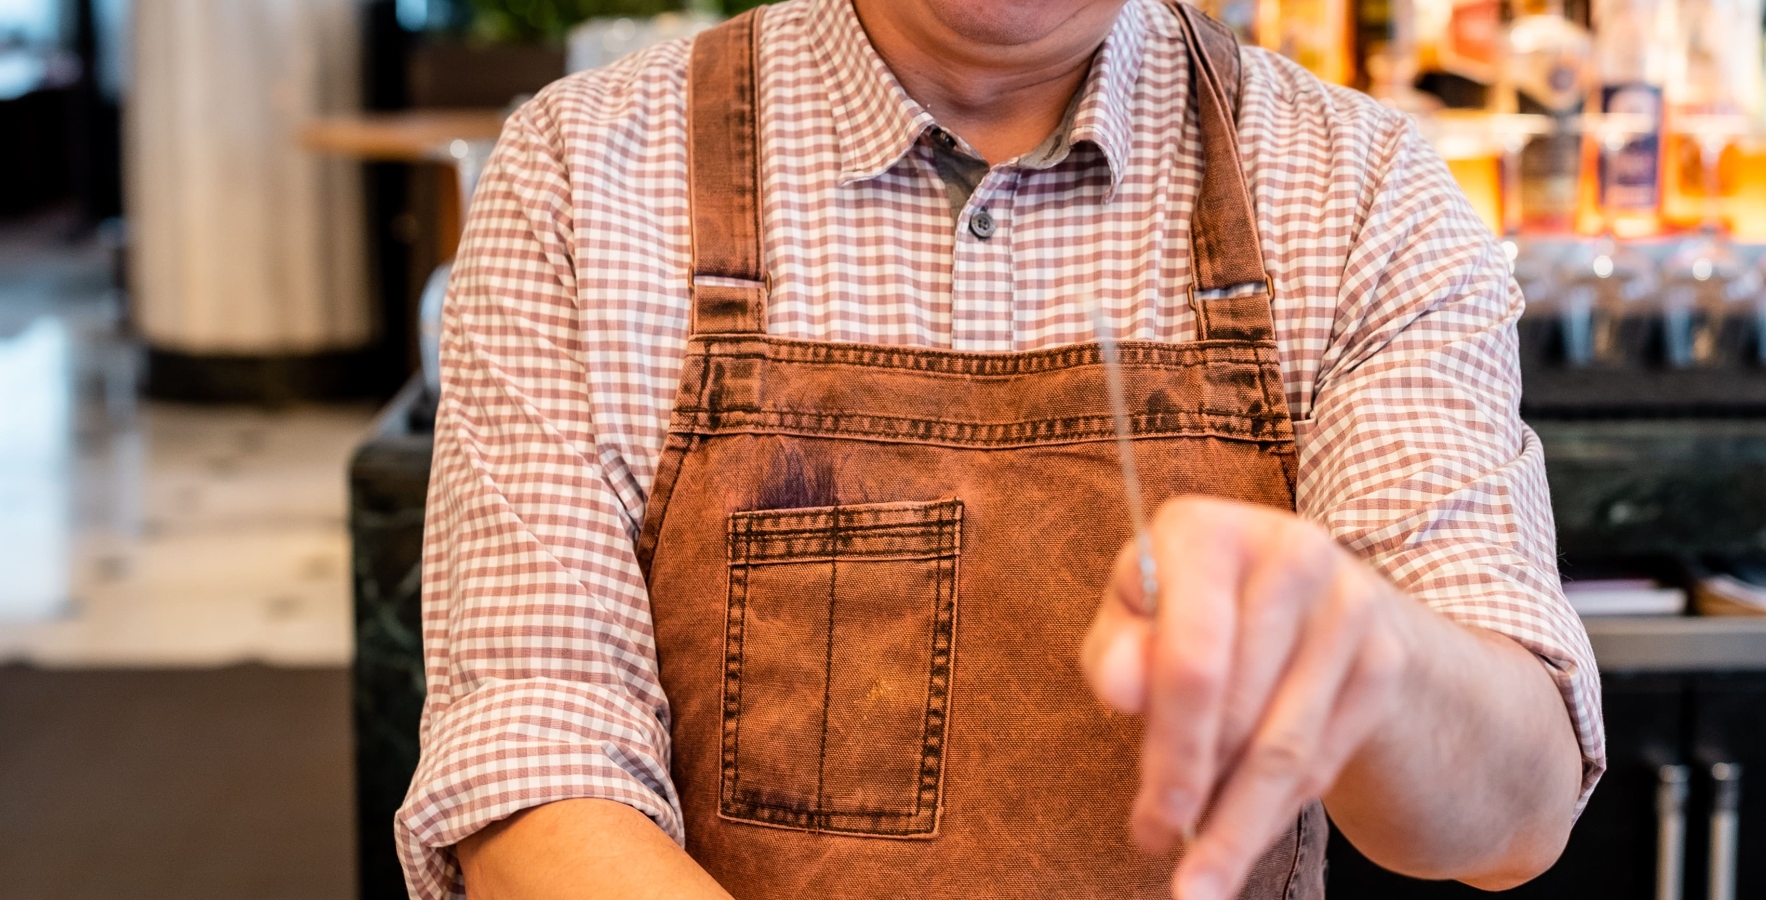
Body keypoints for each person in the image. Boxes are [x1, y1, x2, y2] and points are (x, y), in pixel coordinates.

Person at [397, 0, 1602, 897]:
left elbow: (1515, 814)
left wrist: (1377, 653)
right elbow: (530, 755)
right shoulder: (583, 170)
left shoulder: (1360, 193)